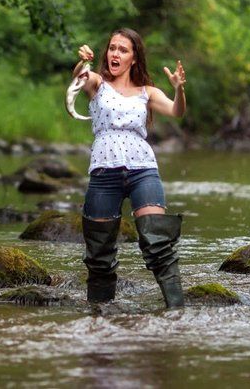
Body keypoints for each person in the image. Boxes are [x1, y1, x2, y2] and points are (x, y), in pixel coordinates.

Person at [73, 27, 187, 308]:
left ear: (134, 58)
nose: (115, 53)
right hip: (104, 170)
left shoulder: (148, 92)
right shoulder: (98, 83)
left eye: (123, 50)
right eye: (112, 48)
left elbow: (177, 111)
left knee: (157, 242)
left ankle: (177, 312)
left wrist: (179, 89)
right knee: (99, 255)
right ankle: (99, 316)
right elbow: (80, 77)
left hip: (142, 169)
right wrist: (82, 62)